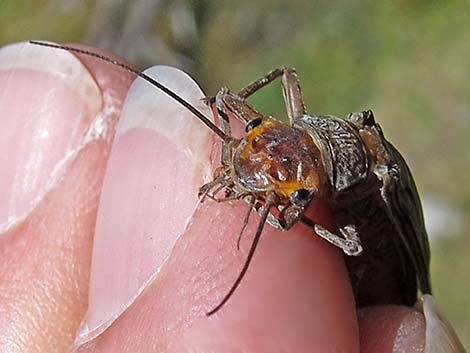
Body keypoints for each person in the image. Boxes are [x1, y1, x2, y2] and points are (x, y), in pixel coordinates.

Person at [0, 42, 464, 353]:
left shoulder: (367, 184)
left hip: (389, 275)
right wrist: (218, 120)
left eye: (286, 188)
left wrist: (289, 215)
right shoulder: (306, 142)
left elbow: (349, 245)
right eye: (259, 136)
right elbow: (240, 92)